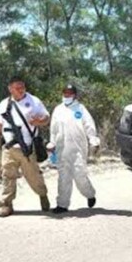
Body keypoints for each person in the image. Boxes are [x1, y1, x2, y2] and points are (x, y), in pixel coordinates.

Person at [0, 76, 50, 217]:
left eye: (23, 87)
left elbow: (47, 118)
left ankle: (43, 196)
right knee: (7, 175)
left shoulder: (33, 101)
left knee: (34, 176)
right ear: (10, 89)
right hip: (9, 148)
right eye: (17, 88)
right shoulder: (4, 104)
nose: (21, 90)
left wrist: (39, 121)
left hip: (28, 148)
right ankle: (7, 204)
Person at [47, 84, 100, 214]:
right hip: (61, 148)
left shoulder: (80, 109)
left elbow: (89, 126)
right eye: (65, 93)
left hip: (77, 148)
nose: (67, 95)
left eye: (70, 93)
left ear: (75, 95)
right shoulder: (58, 109)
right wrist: (52, 143)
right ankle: (62, 205)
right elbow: (53, 129)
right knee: (63, 177)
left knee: (79, 175)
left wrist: (93, 140)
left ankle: (89, 194)